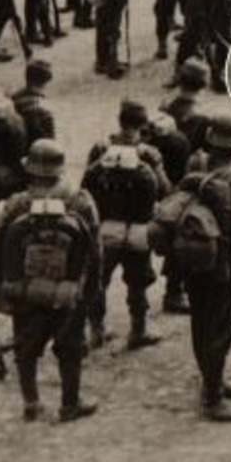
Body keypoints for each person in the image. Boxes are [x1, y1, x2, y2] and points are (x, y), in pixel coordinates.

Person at [0, 139, 101, 422]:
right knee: (70, 345)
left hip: (24, 288)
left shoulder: (18, 204)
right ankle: (70, 403)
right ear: (59, 171)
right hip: (68, 289)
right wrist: (91, 288)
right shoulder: (80, 201)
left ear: (31, 171)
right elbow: (95, 249)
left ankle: (31, 403)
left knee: (26, 345)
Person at [172, 111, 231, 422]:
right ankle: (213, 398)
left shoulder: (196, 165)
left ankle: (214, 382)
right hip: (225, 265)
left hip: (196, 260)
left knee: (202, 324)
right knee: (222, 328)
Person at [82, 99, 170, 351]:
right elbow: (163, 189)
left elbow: (86, 187)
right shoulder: (148, 154)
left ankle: (97, 330)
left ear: (120, 121)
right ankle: (138, 330)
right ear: (142, 126)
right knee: (138, 280)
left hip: (105, 226)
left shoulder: (101, 149)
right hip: (137, 229)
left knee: (99, 279)